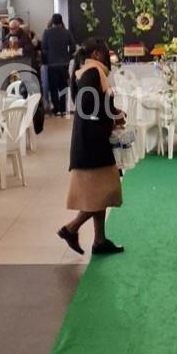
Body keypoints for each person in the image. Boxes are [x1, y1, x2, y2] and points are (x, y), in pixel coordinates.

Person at [58, 38, 124, 256]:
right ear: (96, 54)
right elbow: (89, 106)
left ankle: (99, 240)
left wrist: (114, 113)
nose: (109, 56)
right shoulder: (93, 73)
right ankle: (71, 228)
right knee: (105, 193)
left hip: (89, 142)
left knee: (100, 192)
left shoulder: (88, 71)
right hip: (93, 144)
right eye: (106, 52)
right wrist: (111, 117)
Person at [40, 13, 75, 116]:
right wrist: (68, 56)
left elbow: (43, 48)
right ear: (61, 21)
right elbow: (73, 47)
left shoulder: (47, 32)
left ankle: (56, 109)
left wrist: (46, 58)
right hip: (64, 64)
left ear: (52, 21)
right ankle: (63, 109)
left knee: (53, 88)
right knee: (63, 87)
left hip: (51, 64)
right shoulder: (67, 32)